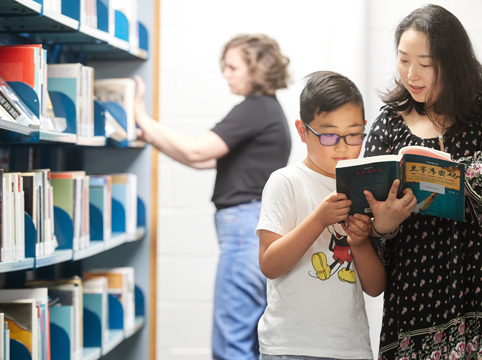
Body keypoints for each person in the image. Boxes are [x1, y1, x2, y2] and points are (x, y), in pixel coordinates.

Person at [362, 5, 482, 360]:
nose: (412, 75)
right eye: (403, 61)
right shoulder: (388, 124)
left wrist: (428, 175)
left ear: (454, 61)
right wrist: (382, 225)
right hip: (418, 298)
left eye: (426, 63)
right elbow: (374, 213)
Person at [133, 34, 292, 360]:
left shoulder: (255, 108)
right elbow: (205, 159)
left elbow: (196, 150)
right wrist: (151, 135)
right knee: (247, 338)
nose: (226, 74)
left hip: (244, 230)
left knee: (231, 343)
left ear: (256, 69)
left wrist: (141, 117)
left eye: (233, 67)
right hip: (254, 227)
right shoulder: (269, 111)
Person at [256, 71, 384, 360]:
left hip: (349, 348)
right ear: (302, 131)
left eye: (353, 134)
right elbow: (269, 264)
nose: (342, 146)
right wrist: (319, 219)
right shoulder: (286, 181)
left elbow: (375, 288)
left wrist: (361, 241)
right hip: (290, 347)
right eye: (328, 135)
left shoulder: (366, 186)